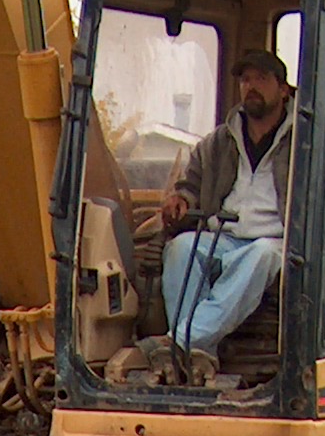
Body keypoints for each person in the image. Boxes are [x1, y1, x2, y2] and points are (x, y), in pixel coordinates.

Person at [110, 50, 296, 387]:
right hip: (224, 233)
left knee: (263, 256)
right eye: (245, 80)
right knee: (181, 248)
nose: (250, 87)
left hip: (277, 238)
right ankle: (198, 351)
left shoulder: (303, 142)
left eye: (261, 79)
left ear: (284, 90)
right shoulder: (218, 142)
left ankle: (177, 341)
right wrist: (181, 199)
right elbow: (190, 184)